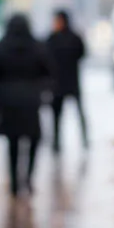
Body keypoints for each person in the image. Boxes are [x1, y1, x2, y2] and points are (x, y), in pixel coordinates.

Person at [0, 14, 53, 195]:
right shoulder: (36, 46)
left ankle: (14, 183)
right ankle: (28, 179)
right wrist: (41, 90)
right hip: (31, 102)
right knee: (33, 140)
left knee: (13, 142)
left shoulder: (1, 46)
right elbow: (49, 71)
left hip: (9, 103)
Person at [46, 9, 89, 151]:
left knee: (58, 116)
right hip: (71, 82)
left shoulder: (52, 38)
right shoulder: (75, 37)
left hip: (59, 83)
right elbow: (82, 53)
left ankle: (57, 144)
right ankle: (84, 140)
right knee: (76, 113)